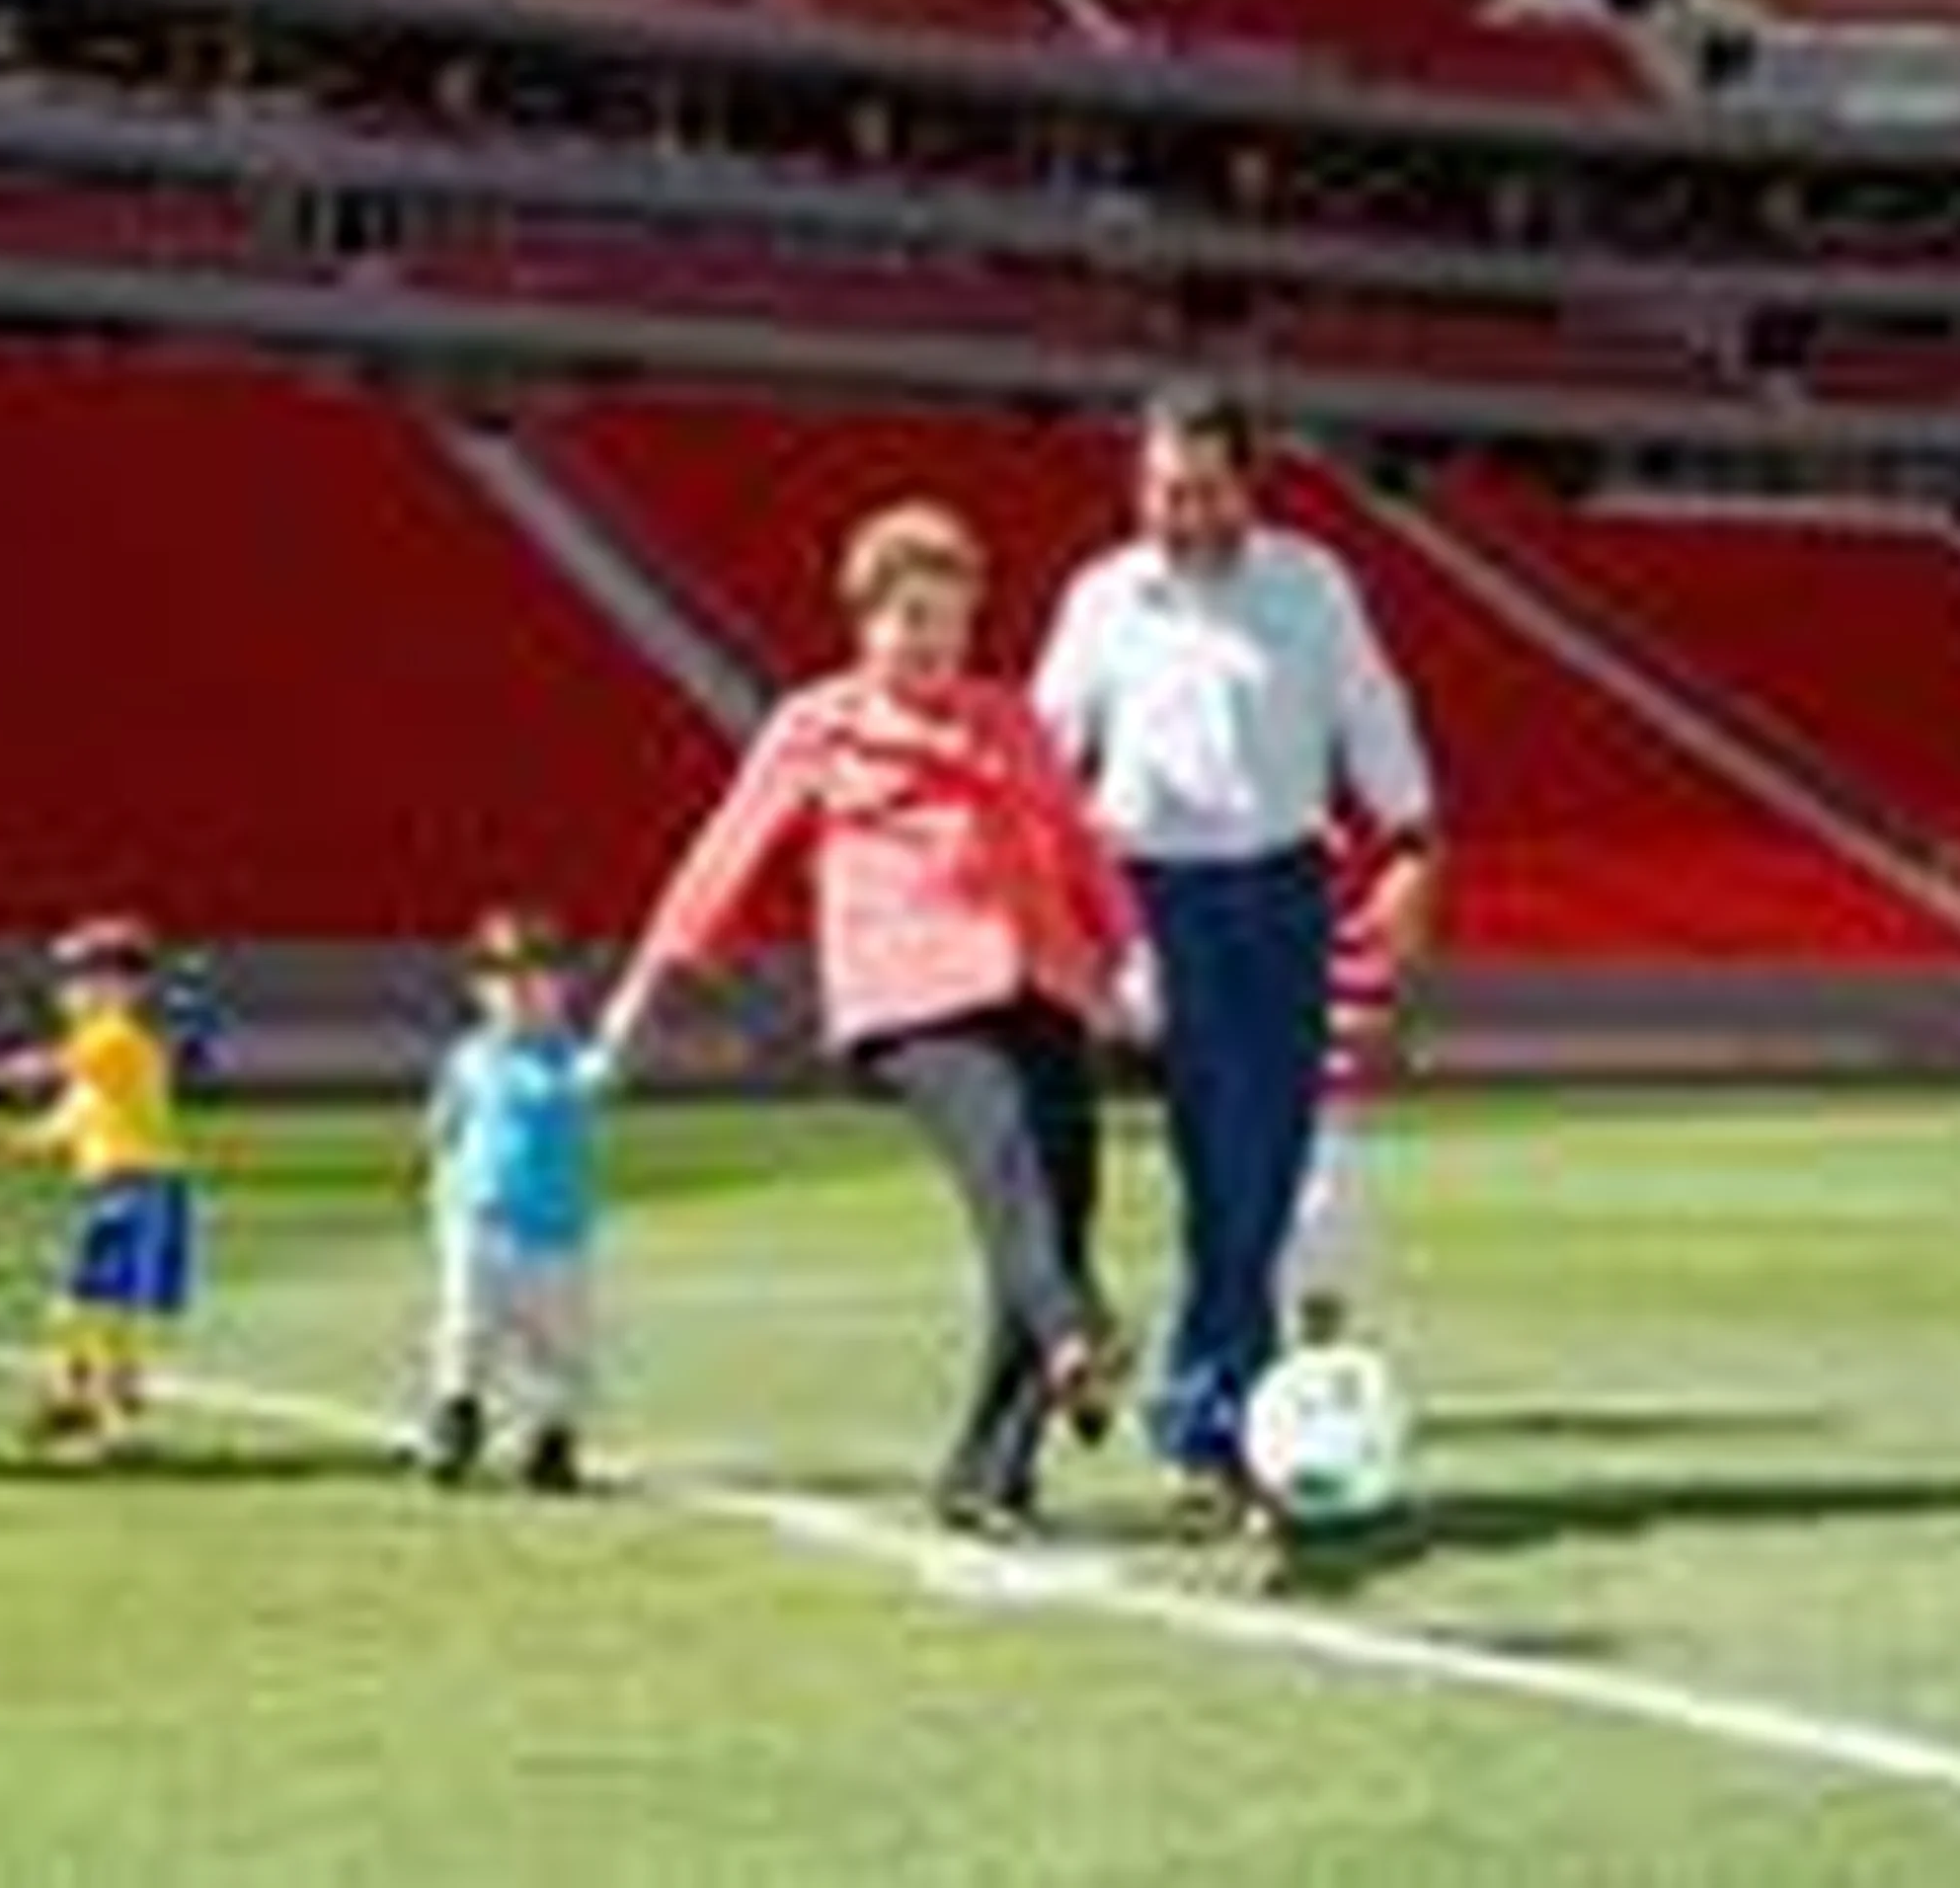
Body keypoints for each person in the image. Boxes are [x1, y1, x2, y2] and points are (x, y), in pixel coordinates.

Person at [602, 500, 1141, 1540]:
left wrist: (1127, 957)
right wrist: (645, 985)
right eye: (911, 618)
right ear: (866, 621)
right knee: (1010, 1167)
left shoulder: (1011, 719)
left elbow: (1080, 846)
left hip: (1042, 985)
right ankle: (1083, 1334)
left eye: (950, 619)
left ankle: (989, 1473)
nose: (932, 640)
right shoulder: (818, 724)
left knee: (1049, 1220)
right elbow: (724, 851)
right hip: (910, 998)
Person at [1032, 384, 1437, 1517]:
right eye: (1161, 488)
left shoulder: (1311, 584)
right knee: (1227, 1166)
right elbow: (1047, 751)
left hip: (1285, 897)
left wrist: (1409, 846)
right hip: (1149, 895)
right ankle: (1220, 1427)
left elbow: (1377, 718)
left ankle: (1209, 1415)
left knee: (1258, 1171)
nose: (1179, 509)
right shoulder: (1103, 599)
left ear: (1245, 485)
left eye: (1202, 488)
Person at [416, 907, 614, 1495]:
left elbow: (589, 1090)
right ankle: (458, 1416)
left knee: (561, 1350)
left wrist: (603, 1065)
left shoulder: (573, 1061)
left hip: (558, 1233)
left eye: (538, 975)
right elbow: (442, 1130)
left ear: (564, 986)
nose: (521, 990)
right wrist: (440, 1200)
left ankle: (551, 1440)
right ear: (480, 989)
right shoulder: (469, 1058)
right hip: (482, 1224)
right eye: (503, 976)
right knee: (466, 1329)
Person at [1, 915, 197, 1458]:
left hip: (131, 1187)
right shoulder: (110, 1050)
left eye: (80, 978)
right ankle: (91, 1400)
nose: (66, 993)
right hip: (125, 1187)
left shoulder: (114, 1040)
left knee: (90, 1303)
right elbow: (74, 1117)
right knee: (98, 1305)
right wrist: (22, 1140)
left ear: (120, 987)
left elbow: (48, 1071)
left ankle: (92, 1406)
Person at [1283, 832, 1413, 1351]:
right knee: (1301, 1231)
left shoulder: (1357, 949)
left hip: (1327, 1116)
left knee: (1323, 1234)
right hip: (1281, 1113)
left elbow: (1374, 1023)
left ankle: (1316, 1353)